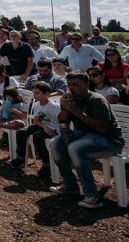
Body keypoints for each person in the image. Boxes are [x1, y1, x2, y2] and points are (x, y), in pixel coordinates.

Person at [49, 71, 125, 209]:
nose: (72, 88)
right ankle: (70, 184)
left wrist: (76, 111)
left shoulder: (96, 100)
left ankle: (92, 196)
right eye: (70, 85)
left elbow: (102, 129)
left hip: (109, 140)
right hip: (84, 135)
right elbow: (63, 121)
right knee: (55, 143)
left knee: (76, 148)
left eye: (76, 84)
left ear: (87, 84)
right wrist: (64, 107)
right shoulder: (73, 99)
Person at [10, 81, 61, 178]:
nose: (34, 95)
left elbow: (60, 122)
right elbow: (36, 121)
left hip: (53, 129)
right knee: (21, 132)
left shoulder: (54, 106)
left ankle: (47, 165)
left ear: (47, 94)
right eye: (34, 93)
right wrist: (44, 126)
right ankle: (20, 158)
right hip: (43, 127)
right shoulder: (36, 105)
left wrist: (51, 130)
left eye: (37, 93)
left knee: (38, 137)